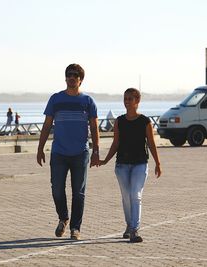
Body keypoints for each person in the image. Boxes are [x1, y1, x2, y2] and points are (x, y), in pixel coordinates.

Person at [36, 63, 100, 240]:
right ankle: (63, 218)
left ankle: (75, 228)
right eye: (69, 75)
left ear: (80, 80)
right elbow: (47, 125)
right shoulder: (56, 99)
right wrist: (40, 148)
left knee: (78, 193)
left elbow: (94, 128)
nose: (71, 77)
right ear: (65, 78)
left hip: (80, 153)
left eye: (75, 75)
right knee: (57, 189)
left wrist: (96, 151)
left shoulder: (88, 102)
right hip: (59, 153)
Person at [100, 88, 162, 243]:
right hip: (122, 165)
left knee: (135, 195)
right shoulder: (119, 121)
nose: (127, 102)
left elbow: (152, 144)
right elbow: (115, 143)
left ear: (137, 101)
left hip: (140, 165)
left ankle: (134, 229)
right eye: (125, 99)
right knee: (126, 197)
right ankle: (129, 225)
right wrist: (105, 160)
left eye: (130, 99)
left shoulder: (145, 122)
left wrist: (158, 163)